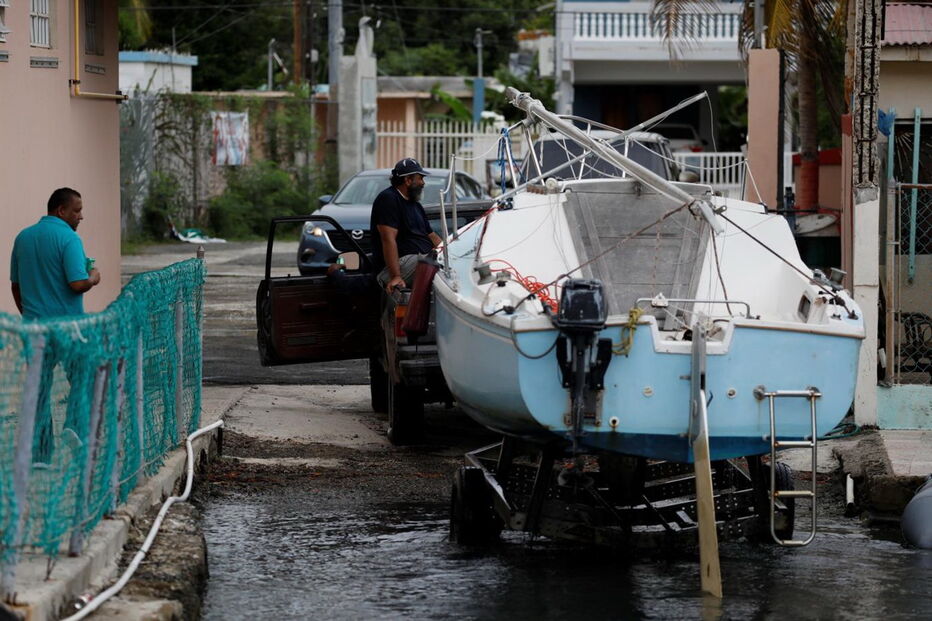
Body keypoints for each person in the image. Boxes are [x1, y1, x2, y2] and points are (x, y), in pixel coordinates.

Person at [10, 187, 101, 319]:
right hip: (65, 330)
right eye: (77, 211)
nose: (81, 217)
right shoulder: (70, 238)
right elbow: (78, 284)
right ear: (61, 211)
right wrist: (93, 277)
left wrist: (28, 318)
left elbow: (15, 287)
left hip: (32, 329)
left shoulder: (22, 237)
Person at [370, 158, 442, 293]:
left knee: (446, 261)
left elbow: (431, 235)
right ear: (408, 180)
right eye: (420, 178)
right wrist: (396, 276)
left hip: (417, 260)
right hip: (396, 267)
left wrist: (449, 251)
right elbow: (388, 239)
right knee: (432, 262)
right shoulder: (388, 199)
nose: (423, 183)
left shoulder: (415, 205)